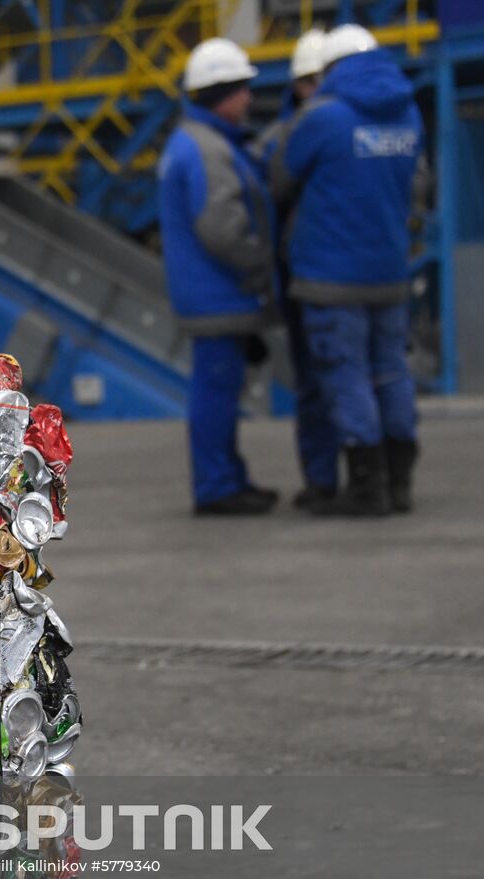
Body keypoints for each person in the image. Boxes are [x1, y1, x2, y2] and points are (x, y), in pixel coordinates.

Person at [271, 25, 423, 516]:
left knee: (346, 374)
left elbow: (281, 177)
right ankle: (399, 483)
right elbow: (418, 187)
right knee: (391, 371)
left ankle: (365, 488)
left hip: (331, 275)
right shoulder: (409, 115)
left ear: (331, 69)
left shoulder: (323, 117)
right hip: (390, 270)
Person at [158, 38, 280, 516]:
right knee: (216, 396)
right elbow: (223, 228)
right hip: (220, 296)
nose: (249, 98)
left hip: (211, 294)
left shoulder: (195, 141)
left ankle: (227, 478)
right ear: (220, 93)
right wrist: (262, 267)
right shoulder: (206, 149)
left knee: (220, 394)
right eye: (242, 89)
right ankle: (217, 488)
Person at [253, 29, 340, 512]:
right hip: (303, 280)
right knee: (317, 385)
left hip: (320, 276)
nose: (317, 89)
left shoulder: (282, 138)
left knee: (344, 383)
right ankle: (329, 480)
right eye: (311, 81)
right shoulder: (281, 138)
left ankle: (353, 481)